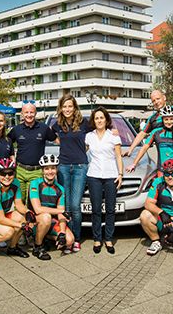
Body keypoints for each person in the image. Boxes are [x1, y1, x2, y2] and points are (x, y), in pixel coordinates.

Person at [123, 90, 173, 182]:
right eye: (153, 101)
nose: (156, 102)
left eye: (158, 98)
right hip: (164, 163)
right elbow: (142, 134)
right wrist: (131, 149)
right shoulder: (152, 119)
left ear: (164, 97)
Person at [51, 94, 91, 252]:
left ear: (75, 108)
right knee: (65, 205)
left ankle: (76, 238)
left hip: (80, 166)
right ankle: (67, 238)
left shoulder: (84, 123)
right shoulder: (57, 125)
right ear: (60, 108)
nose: (67, 109)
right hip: (64, 167)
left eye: (70, 106)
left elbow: (97, 134)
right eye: (64, 106)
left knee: (75, 205)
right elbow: (53, 138)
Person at [85, 107, 124, 254]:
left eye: (101, 118)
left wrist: (120, 174)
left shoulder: (114, 136)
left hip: (111, 176)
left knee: (110, 210)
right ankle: (97, 239)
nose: (99, 120)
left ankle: (108, 239)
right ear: (93, 121)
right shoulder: (89, 136)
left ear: (106, 120)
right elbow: (81, 151)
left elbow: (119, 156)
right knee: (95, 210)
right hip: (93, 175)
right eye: (96, 118)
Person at [27, 154, 75, 260]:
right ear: (42, 171)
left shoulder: (60, 189)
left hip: (50, 221)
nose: (50, 171)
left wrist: (62, 232)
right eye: (47, 169)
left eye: (53, 168)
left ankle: (44, 237)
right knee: (46, 216)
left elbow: (61, 214)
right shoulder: (35, 184)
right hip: (35, 220)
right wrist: (60, 211)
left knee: (70, 240)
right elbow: (37, 209)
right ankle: (38, 247)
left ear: (56, 169)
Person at [8, 103, 57, 206]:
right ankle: (21, 222)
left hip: (37, 171)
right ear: (22, 114)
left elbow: (58, 140)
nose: (29, 115)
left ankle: (32, 222)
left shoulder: (43, 128)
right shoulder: (16, 130)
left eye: (31, 112)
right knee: (19, 200)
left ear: (35, 113)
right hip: (19, 170)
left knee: (33, 202)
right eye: (26, 112)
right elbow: (5, 144)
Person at [126, 105, 173, 180]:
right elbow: (144, 148)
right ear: (162, 120)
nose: (169, 122)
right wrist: (134, 164)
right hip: (162, 170)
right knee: (162, 191)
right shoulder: (156, 133)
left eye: (171, 119)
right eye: (166, 119)